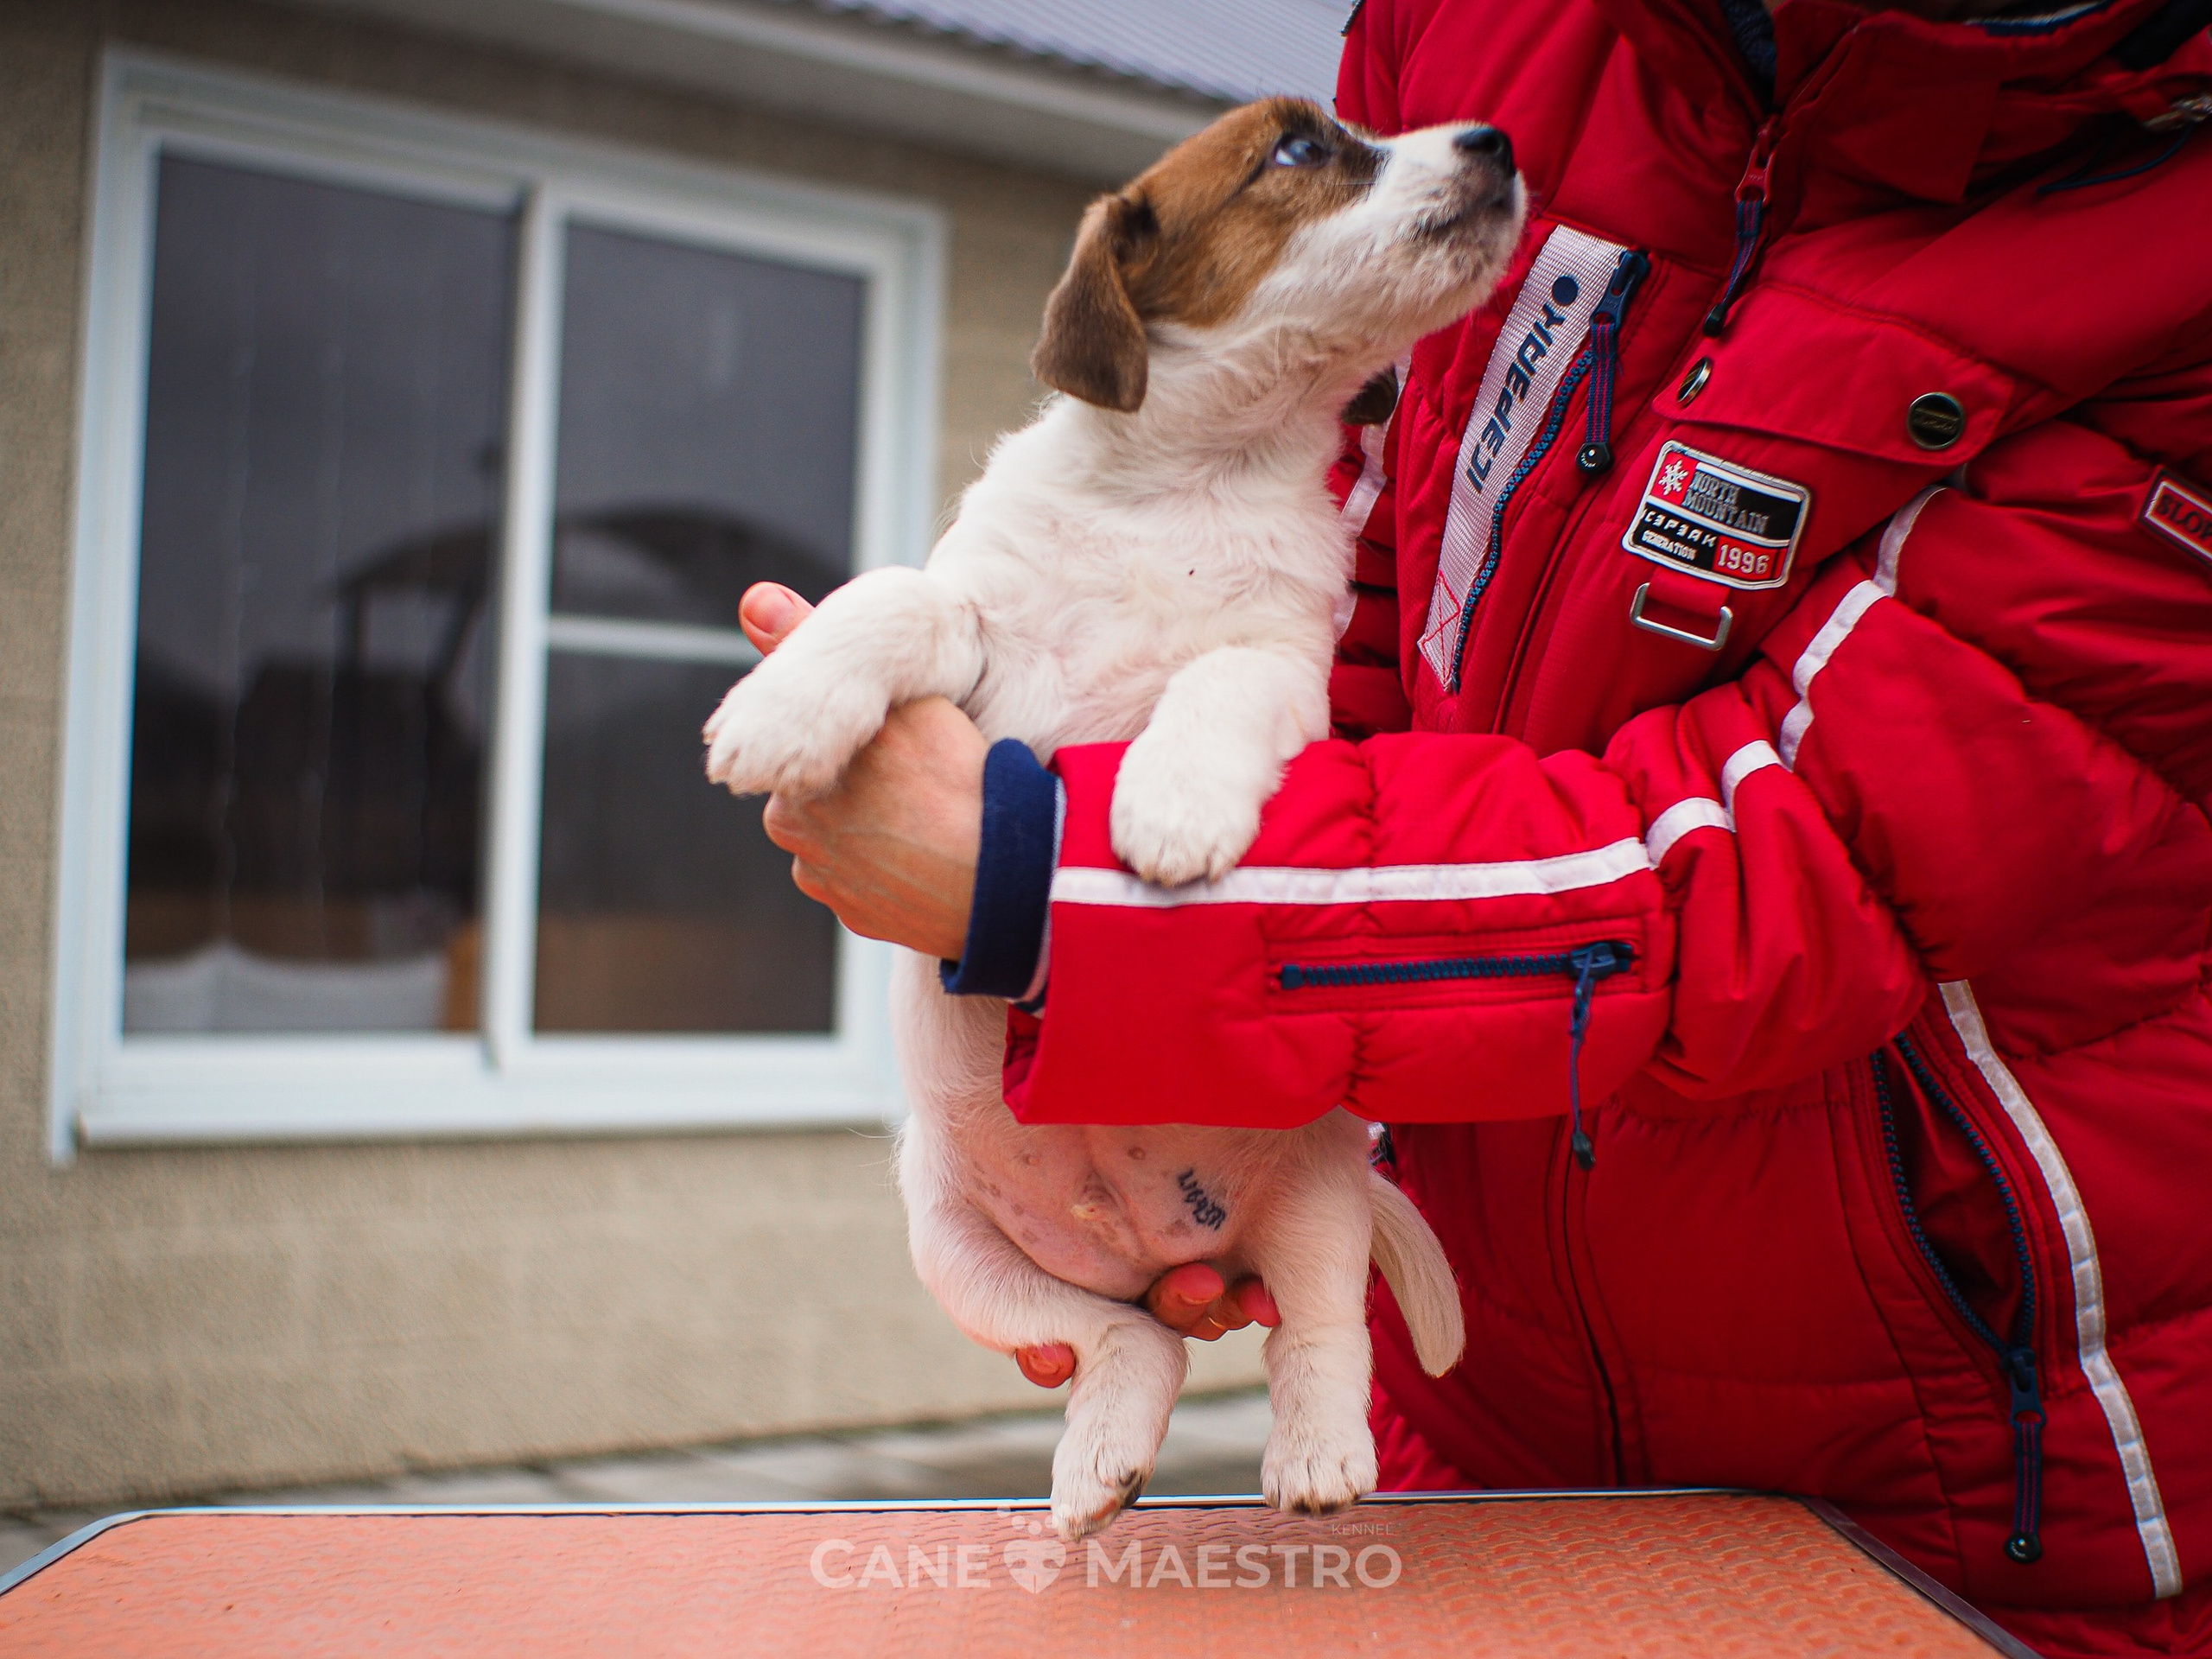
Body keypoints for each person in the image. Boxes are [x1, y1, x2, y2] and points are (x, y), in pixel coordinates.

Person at [738, 1, 2212, 1650]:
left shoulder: (2177, 238)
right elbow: (1351, 594)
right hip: (1483, 1436)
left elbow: (1808, 866)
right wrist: (1185, 1060)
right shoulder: (1475, 28)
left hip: (1980, 1494)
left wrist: (1048, 877)